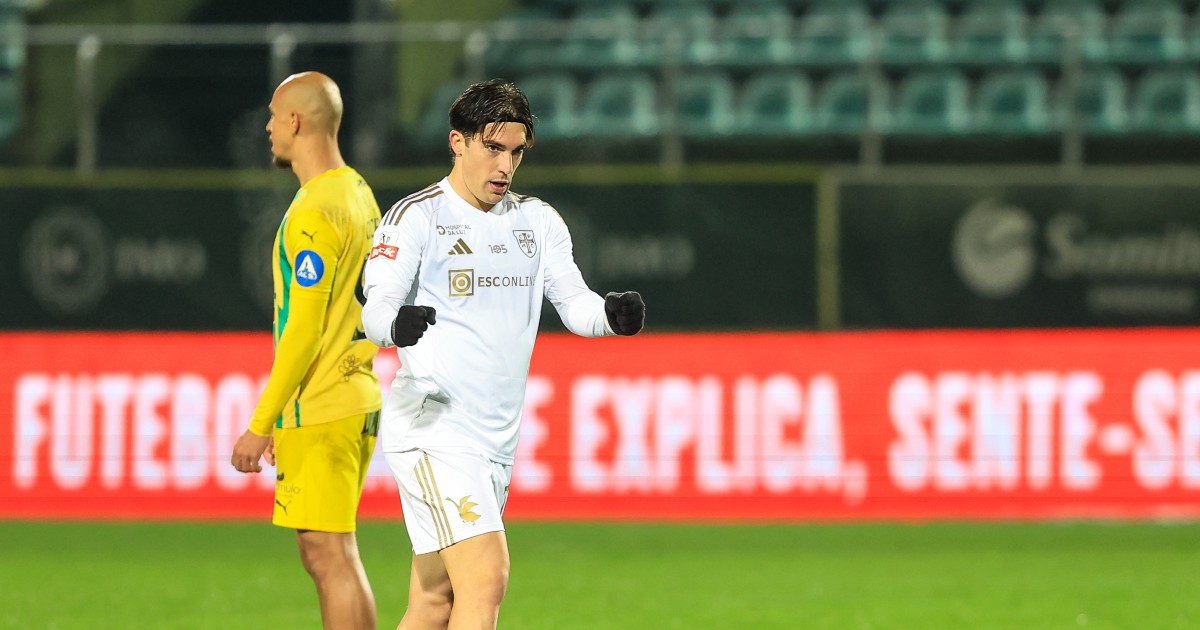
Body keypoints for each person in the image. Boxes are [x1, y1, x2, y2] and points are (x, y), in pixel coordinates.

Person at [361, 78, 646, 629]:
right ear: (458, 142)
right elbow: (377, 308)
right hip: (434, 430)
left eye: (515, 152)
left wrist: (611, 316)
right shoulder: (416, 217)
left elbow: (576, 305)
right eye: (493, 148)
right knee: (486, 577)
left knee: (434, 600)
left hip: (495, 442)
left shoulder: (537, 221)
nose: (505, 166)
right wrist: (395, 326)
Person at [230, 71, 382, 630]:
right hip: (355, 391)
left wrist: (262, 422)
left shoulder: (313, 212)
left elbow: (304, 330)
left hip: (322, 404)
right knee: (334, 554)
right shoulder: (357, 192)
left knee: (329, 556)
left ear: (295, 121)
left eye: (273, 117)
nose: (268, 128)